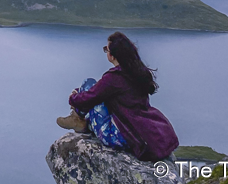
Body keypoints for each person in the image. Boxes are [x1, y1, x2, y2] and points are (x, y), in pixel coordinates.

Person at [55, 32, 179, 162]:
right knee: (94, 88)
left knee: (89, 84)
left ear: (113, 55)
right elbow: (102, 91)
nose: (106, 52)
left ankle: (77, 119)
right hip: (138, 129)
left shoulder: (114, 78)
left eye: (106, 49)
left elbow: (90, 97)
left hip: (119, 136)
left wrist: (73, 98)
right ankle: (79, 120)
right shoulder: (138, 72)